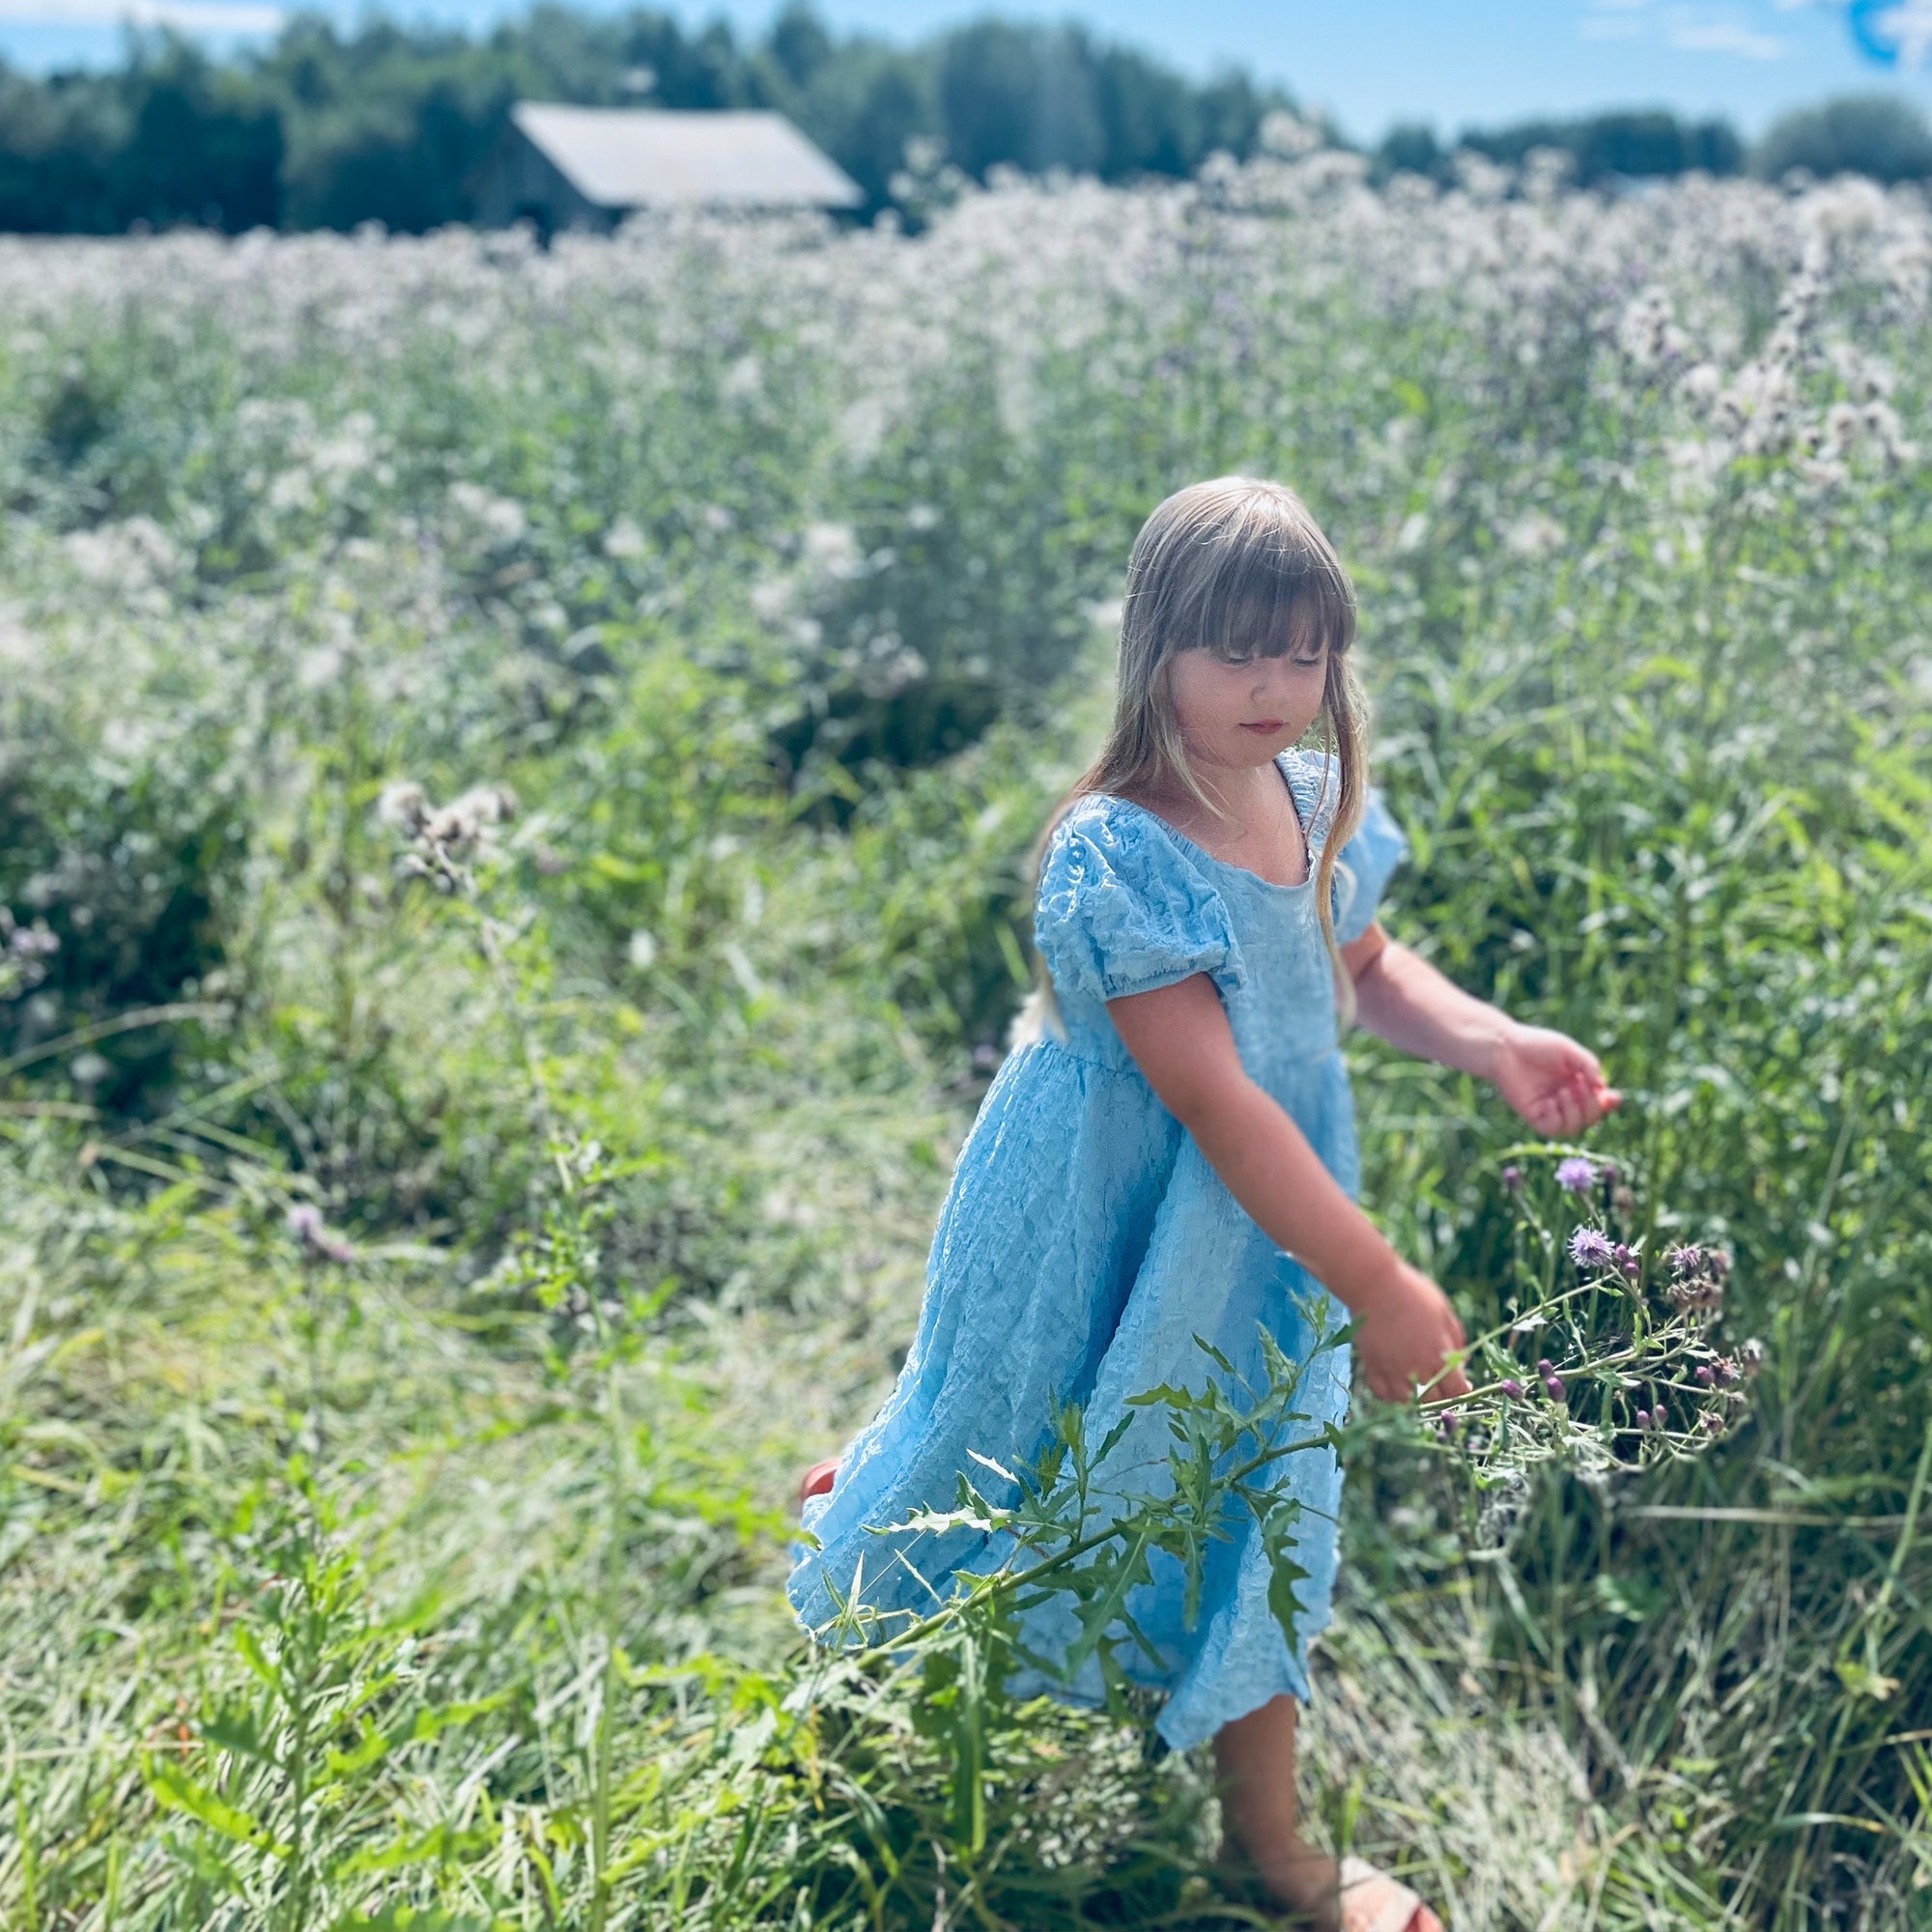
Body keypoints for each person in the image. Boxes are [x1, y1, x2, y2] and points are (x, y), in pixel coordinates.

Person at [785, 476, 1620, 1932]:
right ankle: (847, 1701)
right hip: (1111, 1216)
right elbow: (1221, 1105)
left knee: (1262, 1485)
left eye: (1305, 654)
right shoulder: (1120, 847)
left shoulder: (1309, 800)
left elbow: (1359, 965)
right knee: (1011, 1444)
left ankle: (1270, 1847)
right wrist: (1377, 1281)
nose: (1276, 686)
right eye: (1238, 650)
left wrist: (1490, 1039)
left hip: (1266, 1230)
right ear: (1155, 647)